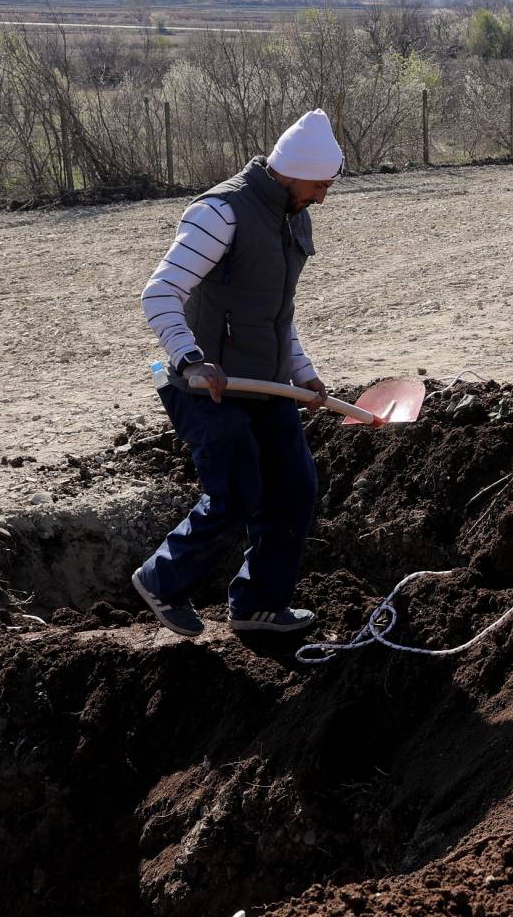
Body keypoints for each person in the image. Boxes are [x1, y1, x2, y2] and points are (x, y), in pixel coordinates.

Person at [132, 109, 342, 638]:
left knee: (294, 488)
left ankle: (257, 605)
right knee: (237, 491)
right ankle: (161, 580)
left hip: (267, 384)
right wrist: (190, 358)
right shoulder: (220, 213)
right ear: (292, 172)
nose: (322, 197)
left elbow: (275, 313)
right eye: (318, 185)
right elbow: (159, 293)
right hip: (209, 387)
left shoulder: (293, 216)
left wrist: (304, 372)